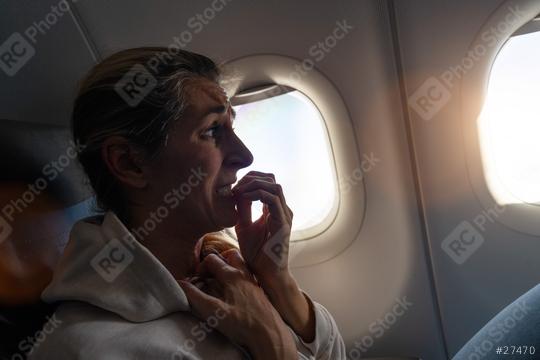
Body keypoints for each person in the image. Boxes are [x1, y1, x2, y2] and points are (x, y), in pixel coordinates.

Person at [28, 47, 345, 359]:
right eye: (212, 131)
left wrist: (279, 282)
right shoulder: (85, 348)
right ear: (130, 163)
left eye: (232, 127)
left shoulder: (230, 272)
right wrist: (272, 343)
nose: (245, 155)